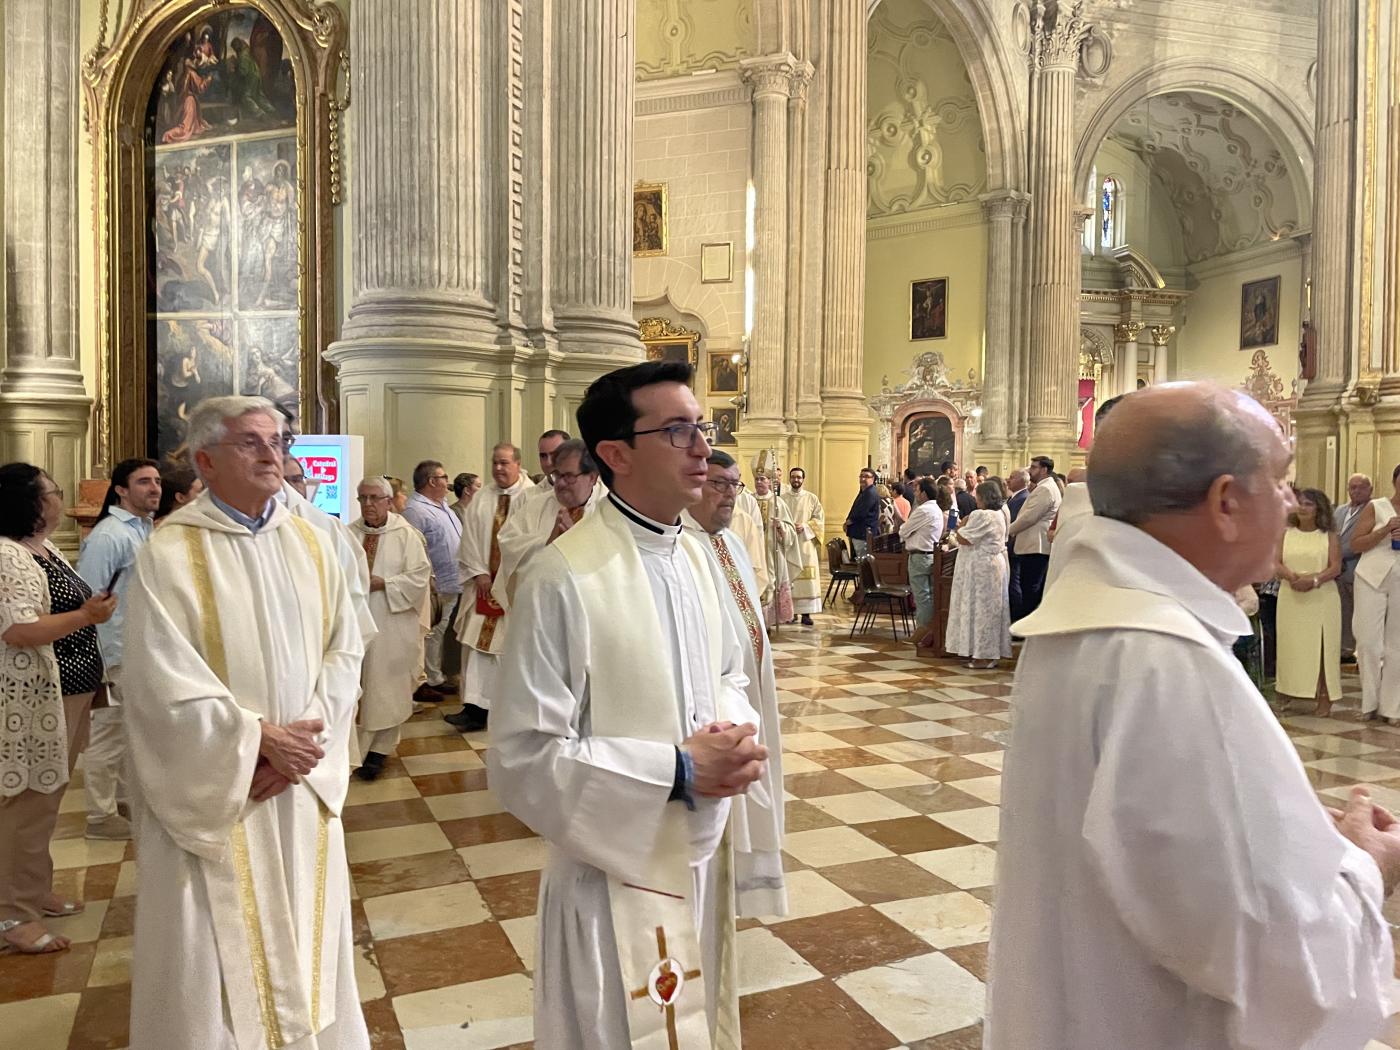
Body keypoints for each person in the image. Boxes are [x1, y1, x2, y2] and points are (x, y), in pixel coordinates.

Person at [987, 383, 1398, 1050]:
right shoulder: (1167, 664)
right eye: (1283, 478)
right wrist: (1366, 865)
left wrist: (1271, 825)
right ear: (1227, 502)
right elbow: (1271, 958)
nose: (1294, 502)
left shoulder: (1088, 618)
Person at [489, 361, 766, 1048]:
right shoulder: (562, 575)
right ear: (615, 454)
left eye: (702, 426)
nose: (704, 446)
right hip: (609, 876)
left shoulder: (697, 556)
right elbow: (523, 756)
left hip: (695, 860)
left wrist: (733, 735)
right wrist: (674, 770)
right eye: (678, 431)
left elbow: (730, 672)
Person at [122, 395, 369, 1048]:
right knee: (210, 953)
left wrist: (307, 739)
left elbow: (347, 646)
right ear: (205, 460)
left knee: (311, 934)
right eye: (251, 443)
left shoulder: (317, 538)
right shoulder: (169, 554)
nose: (271, 454)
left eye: (278, 441)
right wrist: (255, 740)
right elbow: (156, 680)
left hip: (297, 778)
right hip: (224, 788)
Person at [0, 464, 115, 955]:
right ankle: (11, 915)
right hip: (30, 700)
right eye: (53, 491)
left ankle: (32, 890)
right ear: (28, 501)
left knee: (45, 800)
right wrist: (86, 615)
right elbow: (19, 630)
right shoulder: (6, 555)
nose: (60, 498)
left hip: (66, 692)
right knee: (23, 806)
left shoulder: (42, 550)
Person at [683, 450, 787, 917]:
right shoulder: (682, 548)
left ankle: (750, 880)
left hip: (751, 692)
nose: (729, 496)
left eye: (735, 486)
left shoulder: (732, 544)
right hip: (716, 700)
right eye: (719, 485)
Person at [75, 458, 162, 841]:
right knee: (107, 735)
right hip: (115, 653)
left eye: (157, 481)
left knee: (134, 731)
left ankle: (125, 801)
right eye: (144, 482)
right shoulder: (110, 535)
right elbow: (91, 598)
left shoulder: (144, 530)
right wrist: (104, 659)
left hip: (140, 650)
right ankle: (99, 816)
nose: (154, 488)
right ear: (122, 489)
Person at [349, 477, 432, 781]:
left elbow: (420, 576)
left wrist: (386, 583)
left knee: (385, 687)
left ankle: (379, 751)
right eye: (362, 498)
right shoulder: (348, 534)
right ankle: (354, 750)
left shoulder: (406, 535)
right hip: (355, 625)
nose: (368, 504)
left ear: (388, 500)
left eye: (374, 498)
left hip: (391, 623)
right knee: (358, 686)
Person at [450, 443, 535, 731]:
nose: (498, 468)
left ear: (517, 464)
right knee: (478, 648)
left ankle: (506, 708)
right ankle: (474, 708)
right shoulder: (483, 497)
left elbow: (530, 542)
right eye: (494, 463)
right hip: (484, 588)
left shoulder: (532, 496)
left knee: (509, 650)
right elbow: (470, 538)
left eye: (504, 463)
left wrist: (505, 579)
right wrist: (479, 573)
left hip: (514, 591)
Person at [485, 439, 604, 617]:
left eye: (569, 476)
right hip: (540, 611)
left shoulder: (609, 509)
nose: (561, 483)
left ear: (592, 477)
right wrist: (548, 542)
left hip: (590, 612)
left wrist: (575, 541)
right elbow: (508, 543)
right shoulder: (535, 505)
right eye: (558, 475)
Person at [1274, 488, 1343, 716]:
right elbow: (1276, 562)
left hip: (1321, 595)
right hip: (1291, 593)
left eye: (1309, 504)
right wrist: (1293, 577)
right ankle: (1287, 689)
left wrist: (1313, 580)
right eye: (1300, 503)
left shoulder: (1328, 535)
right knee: (1291, 645)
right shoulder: (1285, 533)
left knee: (1321, 647)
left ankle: (1324, 695)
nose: (1303, 508)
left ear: (1319, 509)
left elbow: (1335, 566)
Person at [402, 459, 464, 701]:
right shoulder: (415, 510)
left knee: (441, 630)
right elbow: (413, 548)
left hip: (452, 579)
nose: (448, 482)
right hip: (433, 582)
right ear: (432, 481)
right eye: (443, 477)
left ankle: (436, 674)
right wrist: (428, 579)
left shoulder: (442, 506)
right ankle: (426, 678)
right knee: (430, 631)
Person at [1348, 464, 1400, 723]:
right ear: (1394, 482)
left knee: (1397, 645)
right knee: (1368, 640)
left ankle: (1392, 708)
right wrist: (1384, 530)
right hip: (1371, 577)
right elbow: (1356, 543)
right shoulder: (1377, 506)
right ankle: (1370, 700)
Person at [948, 480, 1011, 668]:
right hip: (991, 566)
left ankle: (982, 655)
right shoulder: (999, 513)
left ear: (984, 497)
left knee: (981, 610)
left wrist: (962, 525)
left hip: (981, 569)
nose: (975, 499)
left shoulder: (982, 515)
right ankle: (984, 652)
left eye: (977, 495)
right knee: (989, 610)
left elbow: (964, 538)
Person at [1005, 455, 1060, 620]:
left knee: (1030, 588)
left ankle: (1025, 626)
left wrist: (1006, 531)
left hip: (1036, 545)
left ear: (1044, 470)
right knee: (1029, 586)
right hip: (1034, 545)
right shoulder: (1044, 487)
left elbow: (1029, 518)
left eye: (1034, 467)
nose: (1030, 470)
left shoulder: (1045, 489)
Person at [753, 471, 801, 628]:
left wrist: (781, 527)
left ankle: (769, 622)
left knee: (772, 583)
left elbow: (790, 530)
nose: (759, 482)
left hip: (772, 552)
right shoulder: (749, 500)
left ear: (769, 482)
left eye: (762, 479)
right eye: (757, 479)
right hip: (753, 553)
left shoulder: (778, 502)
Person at [780, 467, 825, 626]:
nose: (796, 480)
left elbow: (819, 520)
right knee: (790, 578)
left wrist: (805, 526)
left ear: (803, 479)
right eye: (793, 477)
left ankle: (806, 614)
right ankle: (791, 613)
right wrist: (787, 529)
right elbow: (778, 519)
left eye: (799, 477)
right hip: (789, 543)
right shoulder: (782, 499)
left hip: (806, 544)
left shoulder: (812, 498)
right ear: (790, 478)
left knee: (807, 581)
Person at [900, 478, 946, 632]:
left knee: (922, 597)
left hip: (920, 557)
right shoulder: (937, 509)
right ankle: (930, 630)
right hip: (930, 555)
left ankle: (924, 632)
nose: (915, 494)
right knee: (929, 595)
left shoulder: (923, 510)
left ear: (924, 493)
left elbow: (903, 531)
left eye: (917, 490)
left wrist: (908, 532)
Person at [1337, 473, 1373, 662]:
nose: (1356, 491)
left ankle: (1358, 650)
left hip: (1357, 568)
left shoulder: (1373, 510)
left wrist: (1339, 555)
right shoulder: (1340, 511)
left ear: (1370, 490)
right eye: (1353, 487)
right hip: (1337, 572)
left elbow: (1363, 540)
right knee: (1342, 612)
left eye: (1361, 487)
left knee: (1359, 613)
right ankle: (1344, 648)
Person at [844, 468, 879, 556]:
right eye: (861, 476)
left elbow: (862, 512)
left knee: (862, 560)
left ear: (873, 479)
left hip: (862, 533)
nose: (863, 479)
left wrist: (848, 522)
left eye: (866, 477)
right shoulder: (865, 491)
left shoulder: (870, 493)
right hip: (859, 533)